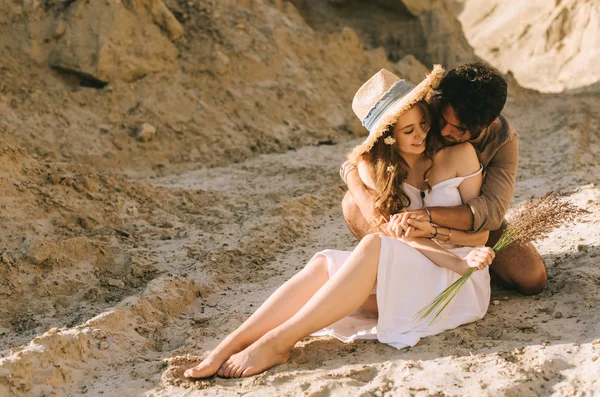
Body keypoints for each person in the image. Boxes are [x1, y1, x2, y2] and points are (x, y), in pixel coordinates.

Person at [184, 66, 495, 379]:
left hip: (458, 274)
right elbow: (402, 239)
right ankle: (226, 346)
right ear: (387, 137)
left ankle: (280, 340)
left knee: (375, 244)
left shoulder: (460, 155)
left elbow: (480, 236)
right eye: (408, 130)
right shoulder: (374, 170)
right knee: (324, 263)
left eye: (423, 123)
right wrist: (418, 232)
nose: (422, 135)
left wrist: (453, 251)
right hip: (415, 265)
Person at [342, 62, 547, 295]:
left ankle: (470, 272)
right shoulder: (425, 106)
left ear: (488, 123)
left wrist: (427, 218)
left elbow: (491, 213)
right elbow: (364, 155)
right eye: (443, 120)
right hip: (408, 217)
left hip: (468, 223)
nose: (446, 132)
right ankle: (400, 270)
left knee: (532, 278)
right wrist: (362, 195)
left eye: (460, 129)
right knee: (352, 203)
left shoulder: (503, 140)